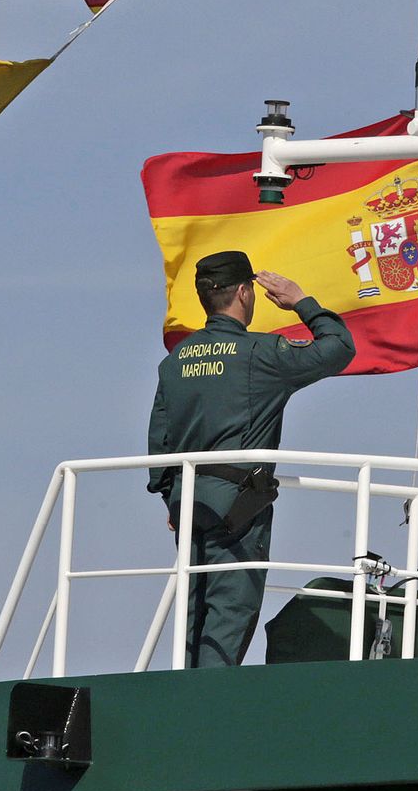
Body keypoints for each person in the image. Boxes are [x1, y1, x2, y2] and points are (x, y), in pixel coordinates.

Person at [147, 250, 355, 667]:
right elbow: (338, 348)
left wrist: (170, 497)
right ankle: (209, 701)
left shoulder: (173, 363)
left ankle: (182, 693)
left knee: (192, 614)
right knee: (229, 615)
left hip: (187, 504)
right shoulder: (261, 352)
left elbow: (160, 443)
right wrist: (301, 302)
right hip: (238, 508)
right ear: (244, 292)